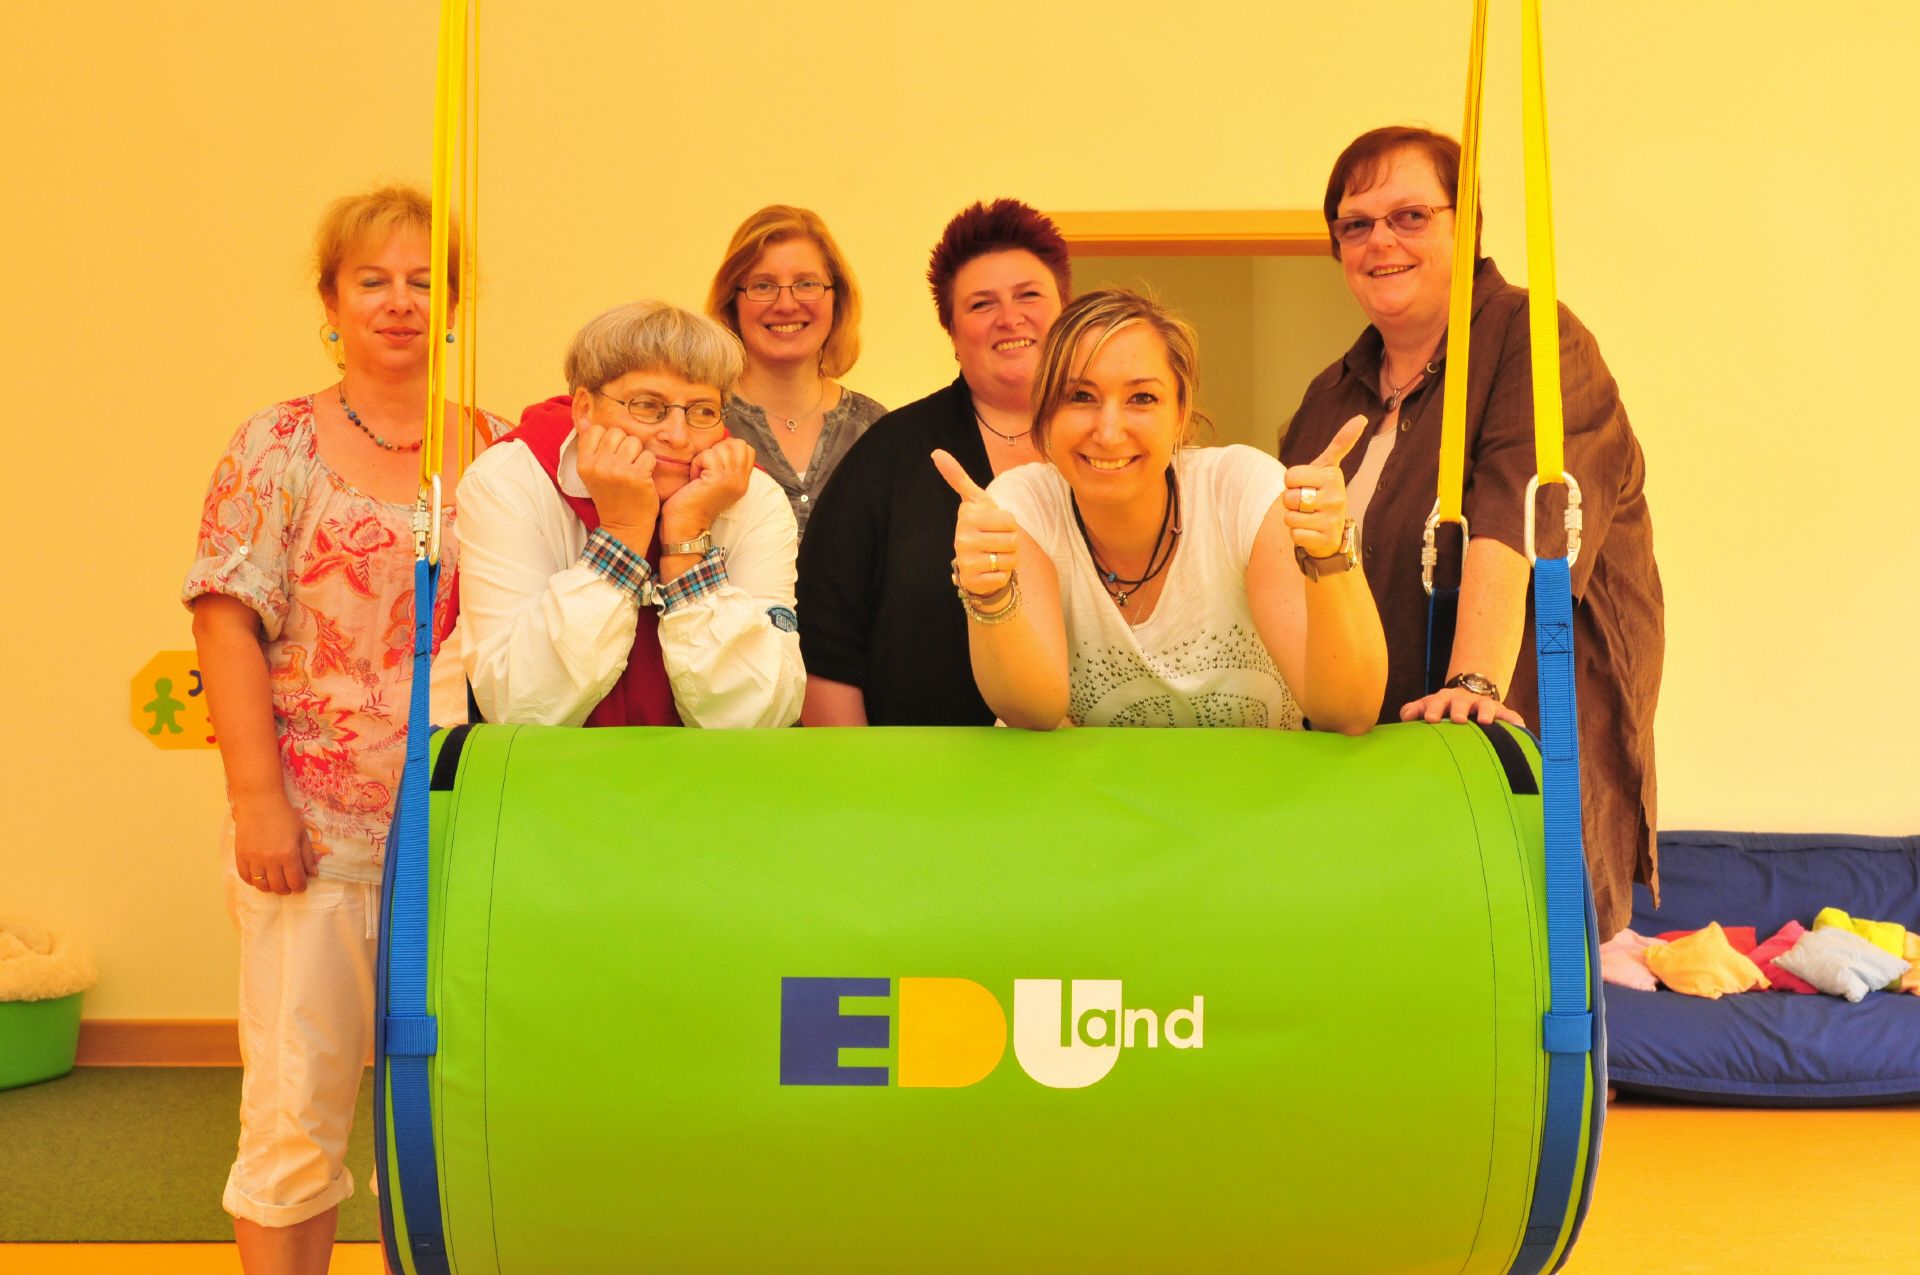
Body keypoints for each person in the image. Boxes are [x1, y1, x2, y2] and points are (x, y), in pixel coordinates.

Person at [185, 184, 507, 1274]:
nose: (399, 302)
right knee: (296, 1122)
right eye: (373, 280)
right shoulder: (276, 442)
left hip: (457, 842)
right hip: (312, 841)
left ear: (452, 304)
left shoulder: (499, 452)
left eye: (423, 281)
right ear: (331, 300)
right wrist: (258, 803)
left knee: (452, 1124)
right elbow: (225, 622)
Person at [1281, 125, 1663, 938]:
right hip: (1368, 791)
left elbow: (1518, 520)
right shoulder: (1329, 396)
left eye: (1410, 215)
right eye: (1356, 224)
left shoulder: (1534, 339)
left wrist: (1474, 688)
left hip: (1500, 780)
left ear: (1468, 225)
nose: (1381, 240)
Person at [936, 288, 1386, 731]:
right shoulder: (1022, 507)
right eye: (1081, 397)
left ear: (1180, 412)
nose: (1109, 432)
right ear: (1045, 412)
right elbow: (1033, 712)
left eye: (1142, 398)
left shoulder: (1241, 490)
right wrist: (990, 594)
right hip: (1094, 784)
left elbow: (1348, 712)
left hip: (1260, 781)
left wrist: (1330, 553)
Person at [457, 300, 804, 728]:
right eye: (647, 405)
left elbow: (761, 717)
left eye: (703, 411)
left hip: (712, 769)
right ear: (585, 410)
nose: (677, 435)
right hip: (553, 767)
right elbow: (522, 707)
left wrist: (687, 541)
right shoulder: (511, 480)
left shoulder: (754, 496)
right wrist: (623, 533)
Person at [798, 198, 1069, 725]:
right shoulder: (889, 455)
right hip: (923, 768)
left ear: (1066, 311)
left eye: (1029, 295)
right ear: (952, 334)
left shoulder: (1117, 449)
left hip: (1101, 765)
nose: (1009, 317)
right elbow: (825, 644)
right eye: (981, 304)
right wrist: (854, 770)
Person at [704, 205, 886, 538]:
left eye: (806, 284)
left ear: (836, 299)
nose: (786, 304)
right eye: (763, 286)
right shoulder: (701, 423)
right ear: (733, 302)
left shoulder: (874, 430)